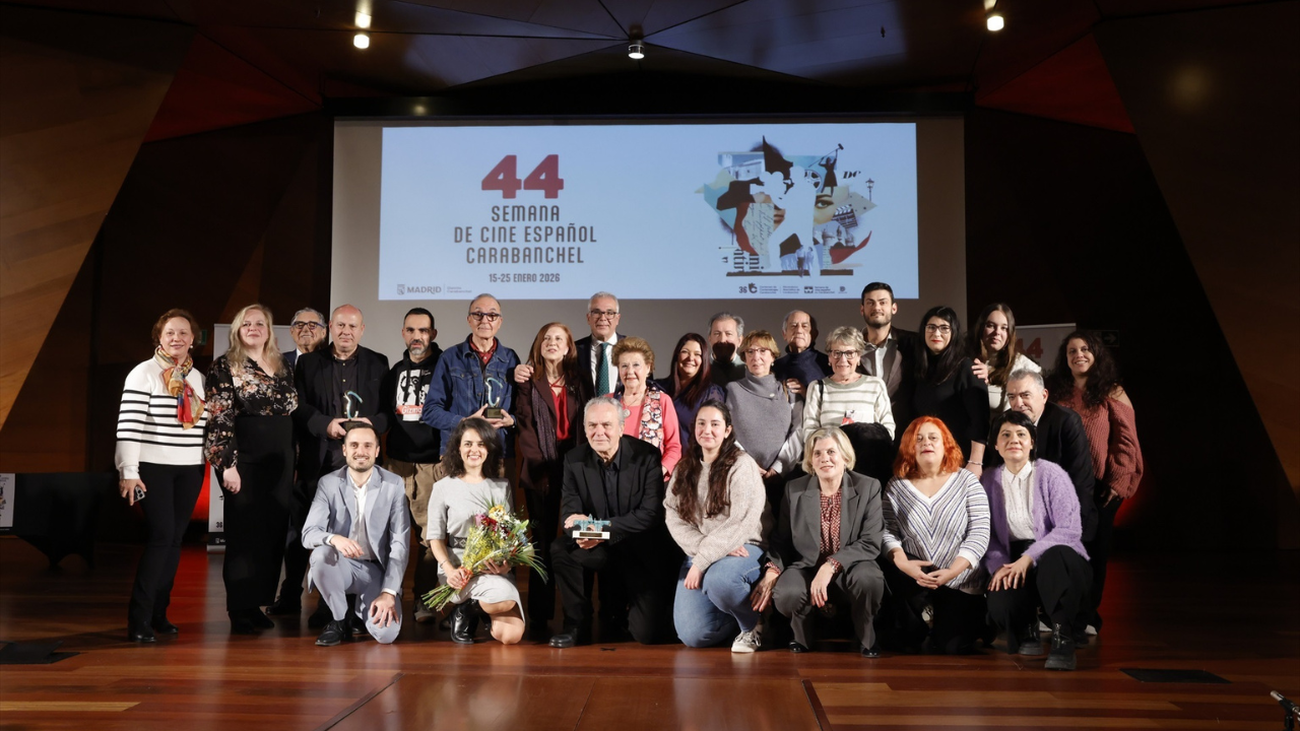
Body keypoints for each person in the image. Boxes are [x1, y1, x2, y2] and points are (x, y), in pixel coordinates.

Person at [277, 304, 390, 626]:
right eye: (340, 325)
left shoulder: (378, 363)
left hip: (360, 467)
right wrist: (325, 424)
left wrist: (371, 424)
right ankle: (304, 599)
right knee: (309, 534)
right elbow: (299, 407)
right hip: (318, 463)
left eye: (353, 326)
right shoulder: (309, 363)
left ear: (362, 329)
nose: (346, 332)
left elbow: (388, 412)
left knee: (355, 536)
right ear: (330, 327)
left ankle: (346, 609)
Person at [549, 397, 678, 648]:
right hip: (599, 548)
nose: (599, 432)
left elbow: (650, 515)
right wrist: (583, 531)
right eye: (592, 425)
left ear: (621, 427)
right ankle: (576, 625)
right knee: (561, 549)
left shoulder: (646, 456)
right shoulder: (574, 459)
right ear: (584, 428)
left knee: (647, 634)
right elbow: (569, 515)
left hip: (638, 549)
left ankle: (619, 610)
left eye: (606, 425)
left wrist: (598, 528)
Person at [115, 309, 208, 643]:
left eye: (183, 333)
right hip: (153, 467)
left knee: (175, 539)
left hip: (190, 468)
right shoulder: (144, 373)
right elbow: (128, 426)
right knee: (161, 536)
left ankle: (159, 613)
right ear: (159, 337)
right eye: (170, 333)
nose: (176, 338)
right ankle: (138, 620)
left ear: (193, 339)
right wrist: (129, 471)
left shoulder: (198, 378)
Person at [204, 304, 298, 635]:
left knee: (272, 533)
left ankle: (258, 603)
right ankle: (239, 607)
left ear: (269, 330)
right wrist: (226, 465)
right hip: (243, 461)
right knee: (244, 534)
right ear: (237, 330)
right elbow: (219, 416)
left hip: (281, 461)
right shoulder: (224, 365)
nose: (253, 328)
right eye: (247, 324)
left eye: (260, 323)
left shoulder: (283, 364)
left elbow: (291, 413)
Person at [753, 426, 886, 657]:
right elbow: (781, 540)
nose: (824, 458)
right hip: (807, 568)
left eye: (831, 452)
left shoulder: (868, 487)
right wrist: (772, 570)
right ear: (810, 461)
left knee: (869, 579)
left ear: (845, 457)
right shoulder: (794, 490)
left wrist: (831, 565)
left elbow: (870, 541)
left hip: (852, 568)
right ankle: (802, 636)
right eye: (817, 453)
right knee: (787, 592)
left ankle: (866, 636)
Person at [1046, 331, 1143, 635]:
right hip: (1062, 485)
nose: (1079, 355)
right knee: (1060, 552)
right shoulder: (1056, 391)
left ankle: (1087, 616)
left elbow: (1126, 441)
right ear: (1065, 358)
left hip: (1101, 487)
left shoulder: (1112, 392)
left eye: (1085, 349)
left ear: (1096, 354)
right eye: (1072, 350)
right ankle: (1054, 614)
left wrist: (1117, 481)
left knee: (1094, 553)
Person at [982, 410, 1091, 671]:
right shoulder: (988, 480)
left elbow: (1069, 529)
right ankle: (1026, 626)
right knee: (1001, 599)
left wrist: (1029, 557)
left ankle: (1062, 637)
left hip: (1057, 555)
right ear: (995, 444)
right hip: (1011, 555)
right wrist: (999, 566)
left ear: (1032, 442)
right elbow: (988, 535)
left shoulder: (1052, 474)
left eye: (1021, 434)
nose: (1014, 440)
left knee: (1056, 558)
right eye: (1005, 435)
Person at [879, 417, 990, 655]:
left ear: (945, 444)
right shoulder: (896, 485)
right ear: (909, 447)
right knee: (904, 641)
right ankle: (917, 622)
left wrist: (952, 571)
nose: (926, 443)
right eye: (918, 439)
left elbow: (980, 532)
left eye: (933, 438)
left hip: (958, 578)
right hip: (913, 576)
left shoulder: (967, 481)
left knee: (952, 646)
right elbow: (887, 530)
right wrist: (903, 563)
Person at [666, 401, 768, 652]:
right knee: (693, 635)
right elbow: (673, 516)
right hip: (702, 551)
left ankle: (752, 625)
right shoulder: (684, 467)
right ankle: (736, 611)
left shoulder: (742, 465)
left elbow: (742, 521)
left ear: (727, 430)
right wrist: (706, 550)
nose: (707, 430)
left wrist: (702, 562)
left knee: (720, 581)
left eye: (715, 424)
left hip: (743, 548)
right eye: (701, 424)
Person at [301, 422, 410, 646]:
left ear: (377, 451)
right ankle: (339, 620)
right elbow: (309, 533)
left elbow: (400, 543)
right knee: (320, 555)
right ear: (344, 450)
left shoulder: (393, 484)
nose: (361, 451)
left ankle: (360, 610)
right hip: (341, 566)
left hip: (375, 570)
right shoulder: (328, 483)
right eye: (354, 445)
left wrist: (389, 592)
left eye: (368, 445)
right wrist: (334, 539)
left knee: (386, 635)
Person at [515, 322, 593, 634]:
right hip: (540, 470)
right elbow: (524, 424)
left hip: (577, 467)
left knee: (582, 536)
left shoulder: (580, 379)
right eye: (546, 337)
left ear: (568, 346)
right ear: (539, 344)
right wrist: (542, 465)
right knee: (542, 542)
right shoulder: (528, 380)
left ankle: (581, 611)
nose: (552, 342)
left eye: (559, 338)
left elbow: (587, 422)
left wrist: (581, 467)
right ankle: (540, 614)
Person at [427, 418, 526, 645]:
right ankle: (466, 607)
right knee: (500, 600)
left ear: (489, 449)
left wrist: (506, 564)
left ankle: (469, 609)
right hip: (458, 568)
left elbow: (509, 535)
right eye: (468, 444)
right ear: (458, 448)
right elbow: (435, 538)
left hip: (491, 568)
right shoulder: (443, 487)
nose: (475, 450)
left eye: (481, 444)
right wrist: (449, 570)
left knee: (511, 636)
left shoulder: (501, 487)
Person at [380, 307, 443, 624]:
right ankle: (386, 596)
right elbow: (385, 415)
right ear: (404, 333)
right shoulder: (394, 371)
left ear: (433, 334)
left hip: (433, 465)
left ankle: (424, 599)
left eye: (423, 330)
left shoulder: (445, 367)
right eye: (411, 330)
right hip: (395, 465)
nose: (416, 336)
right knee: (388, 533)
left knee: (431, 538)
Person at [1001, 369, 1098, 541]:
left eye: (1025, 395)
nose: (1018, 403)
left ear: (1044, 395)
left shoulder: (1067, 421)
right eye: (1012, 397)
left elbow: (1081, 481)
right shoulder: (1003, 423)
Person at [422, 294, 520, 456]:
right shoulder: (450, 357)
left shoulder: (511, 359)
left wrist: (512, 421)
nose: (485, 320)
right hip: (458, 452)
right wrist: (465, 423)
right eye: (478, 314)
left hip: (498, 453)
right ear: (469, 320)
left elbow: (522, 409)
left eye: (492, 315)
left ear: (500, 322)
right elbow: (430, 411)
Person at [726, 330, 803, 506]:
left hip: (783, 478)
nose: (756, 357)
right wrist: (748, 465)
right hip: (743, 476)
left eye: (763, 351)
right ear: (744, 358)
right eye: (750, 351)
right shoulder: (732, 390)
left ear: (773, 356)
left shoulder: (788, 389)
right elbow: (727, 432)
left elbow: (799, 429)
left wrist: (779, 468)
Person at [910, 306, 989, 472]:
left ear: (954, 332)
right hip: (928, 460)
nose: (936, 333)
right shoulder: (919, 369)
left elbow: (980, 420)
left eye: (944, 328)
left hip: (960, 461)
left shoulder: (967, 368)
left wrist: (975, 461)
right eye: (931, 327)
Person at [513, 292, 627, 395]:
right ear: (588, 318)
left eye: (610, 313)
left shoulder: (632, 349)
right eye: (596, 312)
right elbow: (547, 369)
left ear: (617, 318)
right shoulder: (574, 350)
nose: (603, 318)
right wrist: (520, 371)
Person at [802, 326, 895, 443]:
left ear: (859, 356)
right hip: (830, 454)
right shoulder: (817, 388)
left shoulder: (876, 386)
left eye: (849, 353)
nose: (843, 360)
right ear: (829, 357)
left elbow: (888, 430)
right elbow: (809, 433)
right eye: (837, 353)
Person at [610, 337, 681, 479]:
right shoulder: (607, 402)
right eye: (624, 366)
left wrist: (656, 474)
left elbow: (674, 447)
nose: (630, 371)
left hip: (650, 482)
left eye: (636, 365)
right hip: (611, 481)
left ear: (648, 368)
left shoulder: (662, 401)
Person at [859, 283, 918, 430]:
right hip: (864, 432)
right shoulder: (851, 347)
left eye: (882, 302)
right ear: (862, 309)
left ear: (894, 308)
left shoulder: (914, 343)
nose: (877, 307)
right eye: (870, 303)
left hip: (906, 431)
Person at [970, 303, 1040, 416]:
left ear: (1010, 334)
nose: (997, 332)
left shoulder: (1023, 367)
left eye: (1004, 328)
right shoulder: (965, 360)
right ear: (981, 328)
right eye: (991, 325)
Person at [657, 332, 724, 448]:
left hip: (693, 458)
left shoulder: (711, 393)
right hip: (658, 457)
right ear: (677, 356)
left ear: (703, 360)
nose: (690, 358)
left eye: (697, 354)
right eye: (685, 352)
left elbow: (714, 436)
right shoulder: (658, 388)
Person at [773, 309, 830, 396]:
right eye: (793, 326)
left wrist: (806, 394)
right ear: (784, 334)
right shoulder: (775, 367)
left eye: (805, 326)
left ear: (814, 334)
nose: (799, 330)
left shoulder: (828, 364)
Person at [707, 312, 746, 387]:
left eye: (728, 334)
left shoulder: (749, 372)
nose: (722, 340)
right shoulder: (699, 370)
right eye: (717, 334)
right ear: (709, 339)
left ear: (739, 340)